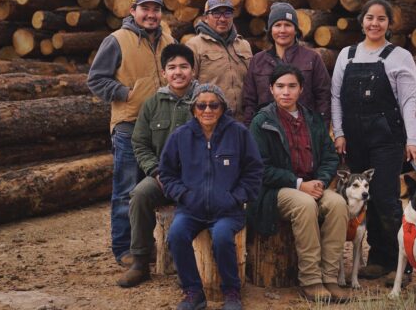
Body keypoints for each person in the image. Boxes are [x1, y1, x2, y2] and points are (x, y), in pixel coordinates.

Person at [330, 0, 416, 280]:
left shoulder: (399, 56)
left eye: (381, 19)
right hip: (354, 138)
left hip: (387, 139)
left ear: (389, 24)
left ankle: (401, 265)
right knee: (362, 201)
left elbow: (408, 102)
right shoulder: (347, 54)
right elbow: (335, 97)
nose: (375, 24)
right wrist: (340, 132)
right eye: (370, 18)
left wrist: (412, 140)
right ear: (362, 21)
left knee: (385, 199)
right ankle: (377, 258)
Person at [88, 0, 176, 267]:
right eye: (145, 9)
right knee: (127, 190)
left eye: (156, 9)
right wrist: (128, 93)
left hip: (162, 128)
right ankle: (123, 249)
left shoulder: (168, 40)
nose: (151, 14)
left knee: (152, 190)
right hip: (129, 125)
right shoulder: (116, 40)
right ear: (133, 11)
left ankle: (147, 246)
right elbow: (96, 79)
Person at [248, 64, 351, 303]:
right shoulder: (261, 122)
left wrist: (322, 182)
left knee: (337, 204)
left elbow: (329, 157)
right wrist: (298, 183)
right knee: (304, 204)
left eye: (292, 86)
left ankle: (330, 278)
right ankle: (311, 280)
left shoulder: (312, 119)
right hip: (274, 191)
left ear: (301, 89)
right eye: (280, 86)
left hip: (312, 185)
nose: (286, 92)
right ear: (271, 89)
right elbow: (259, 168)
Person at [159, 84, 263, 310]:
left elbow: (254, 171)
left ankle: (232, 292)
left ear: (222, 107)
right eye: (201, 105)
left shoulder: (238, 133)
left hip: (228, 210)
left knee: (223, 237)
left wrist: (235, 197)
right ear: (193, 108)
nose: (208, 110)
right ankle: (193, 292)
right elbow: (166, 173)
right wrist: (184, 195)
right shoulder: (181, 136)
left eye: (213, 105)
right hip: (191, 209)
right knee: (176, 235)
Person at [116, 44, 198, 288]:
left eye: (184, 66)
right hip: (164, 175)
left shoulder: (204, 100)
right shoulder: (152, 104)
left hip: (197, 177)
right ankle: (140, 261)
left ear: (192, 71)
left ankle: (196, 264)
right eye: (172, 67)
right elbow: (139, 143)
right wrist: (156, 171)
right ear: (164, 73)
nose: (178, 72)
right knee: (140, 194)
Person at [242, 2, 331, 126]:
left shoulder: (312, 58)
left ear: (296, 30)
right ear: (270, 30)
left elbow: (324, 96)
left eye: (288, 25)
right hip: (266, 131)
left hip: (304, 131)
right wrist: (250, 131)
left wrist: (322, 130)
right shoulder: (258, 60)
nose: (282, 30)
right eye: (277, 25)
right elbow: (249, 101)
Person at [185, 0, 252, 121]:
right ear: (205, 17)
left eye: (227, 13)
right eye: (216, 13)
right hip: (211, 120)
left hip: (242, 121)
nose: (222, 18)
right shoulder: (194, 46)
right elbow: (188, 88)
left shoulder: (244, 45)